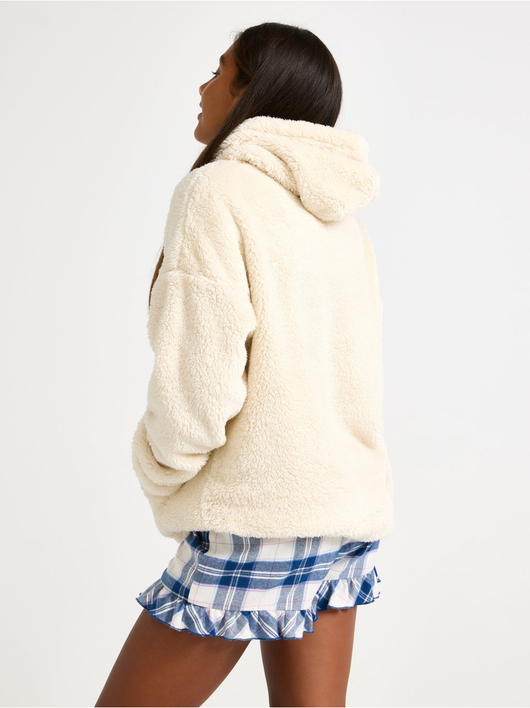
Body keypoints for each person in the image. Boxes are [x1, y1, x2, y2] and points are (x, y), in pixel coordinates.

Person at [95, 21, 394, 708]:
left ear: (250, 91)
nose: (203, 86)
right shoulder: (342, 218)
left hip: (255, 511)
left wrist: (160, 465)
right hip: (340, 510)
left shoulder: (216, 192)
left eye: (218, 70)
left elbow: (199, 385)